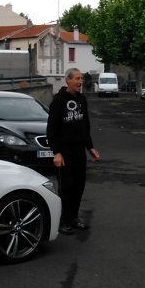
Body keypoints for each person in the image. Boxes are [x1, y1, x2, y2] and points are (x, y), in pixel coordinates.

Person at [47, 68, 100, 235]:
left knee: (78, 186)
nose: (80, 82)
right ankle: (63, 221)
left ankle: (73, 218)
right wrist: (56, 152)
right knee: (66, 188)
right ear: (67, 80)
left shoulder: (82, 99)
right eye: (77, 78)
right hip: (64, 151)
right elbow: (51, 130)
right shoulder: (58, 102)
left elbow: (85, 126)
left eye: (81, 79)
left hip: (78, 151)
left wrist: (90, 147)